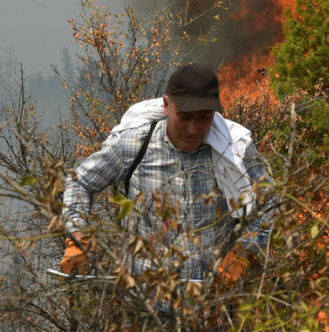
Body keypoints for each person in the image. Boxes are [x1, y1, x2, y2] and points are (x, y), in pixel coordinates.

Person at [60, 63, 273, 288]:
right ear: (166, 105)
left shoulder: (233, 149)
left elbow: (269, 201)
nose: (193, 129)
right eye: (185, 117)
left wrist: (243, 252)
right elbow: (80, 182)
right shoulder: (135, 144)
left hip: (213, 298)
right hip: (145, 299)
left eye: (204, 118)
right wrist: (77, 237)